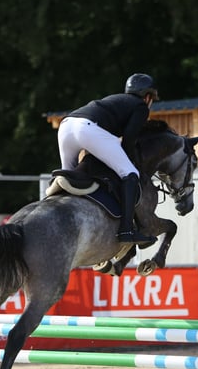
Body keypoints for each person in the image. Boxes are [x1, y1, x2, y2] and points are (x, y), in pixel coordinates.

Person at [57, 73, 159, 245]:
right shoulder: (141, 106)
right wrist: (133, 163)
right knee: (130, 173)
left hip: (66, 126)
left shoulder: (116, 100)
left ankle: (55, 210)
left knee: (68, 177)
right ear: (148, 96)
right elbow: (128, 138)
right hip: (87, 129)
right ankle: (126, 230)